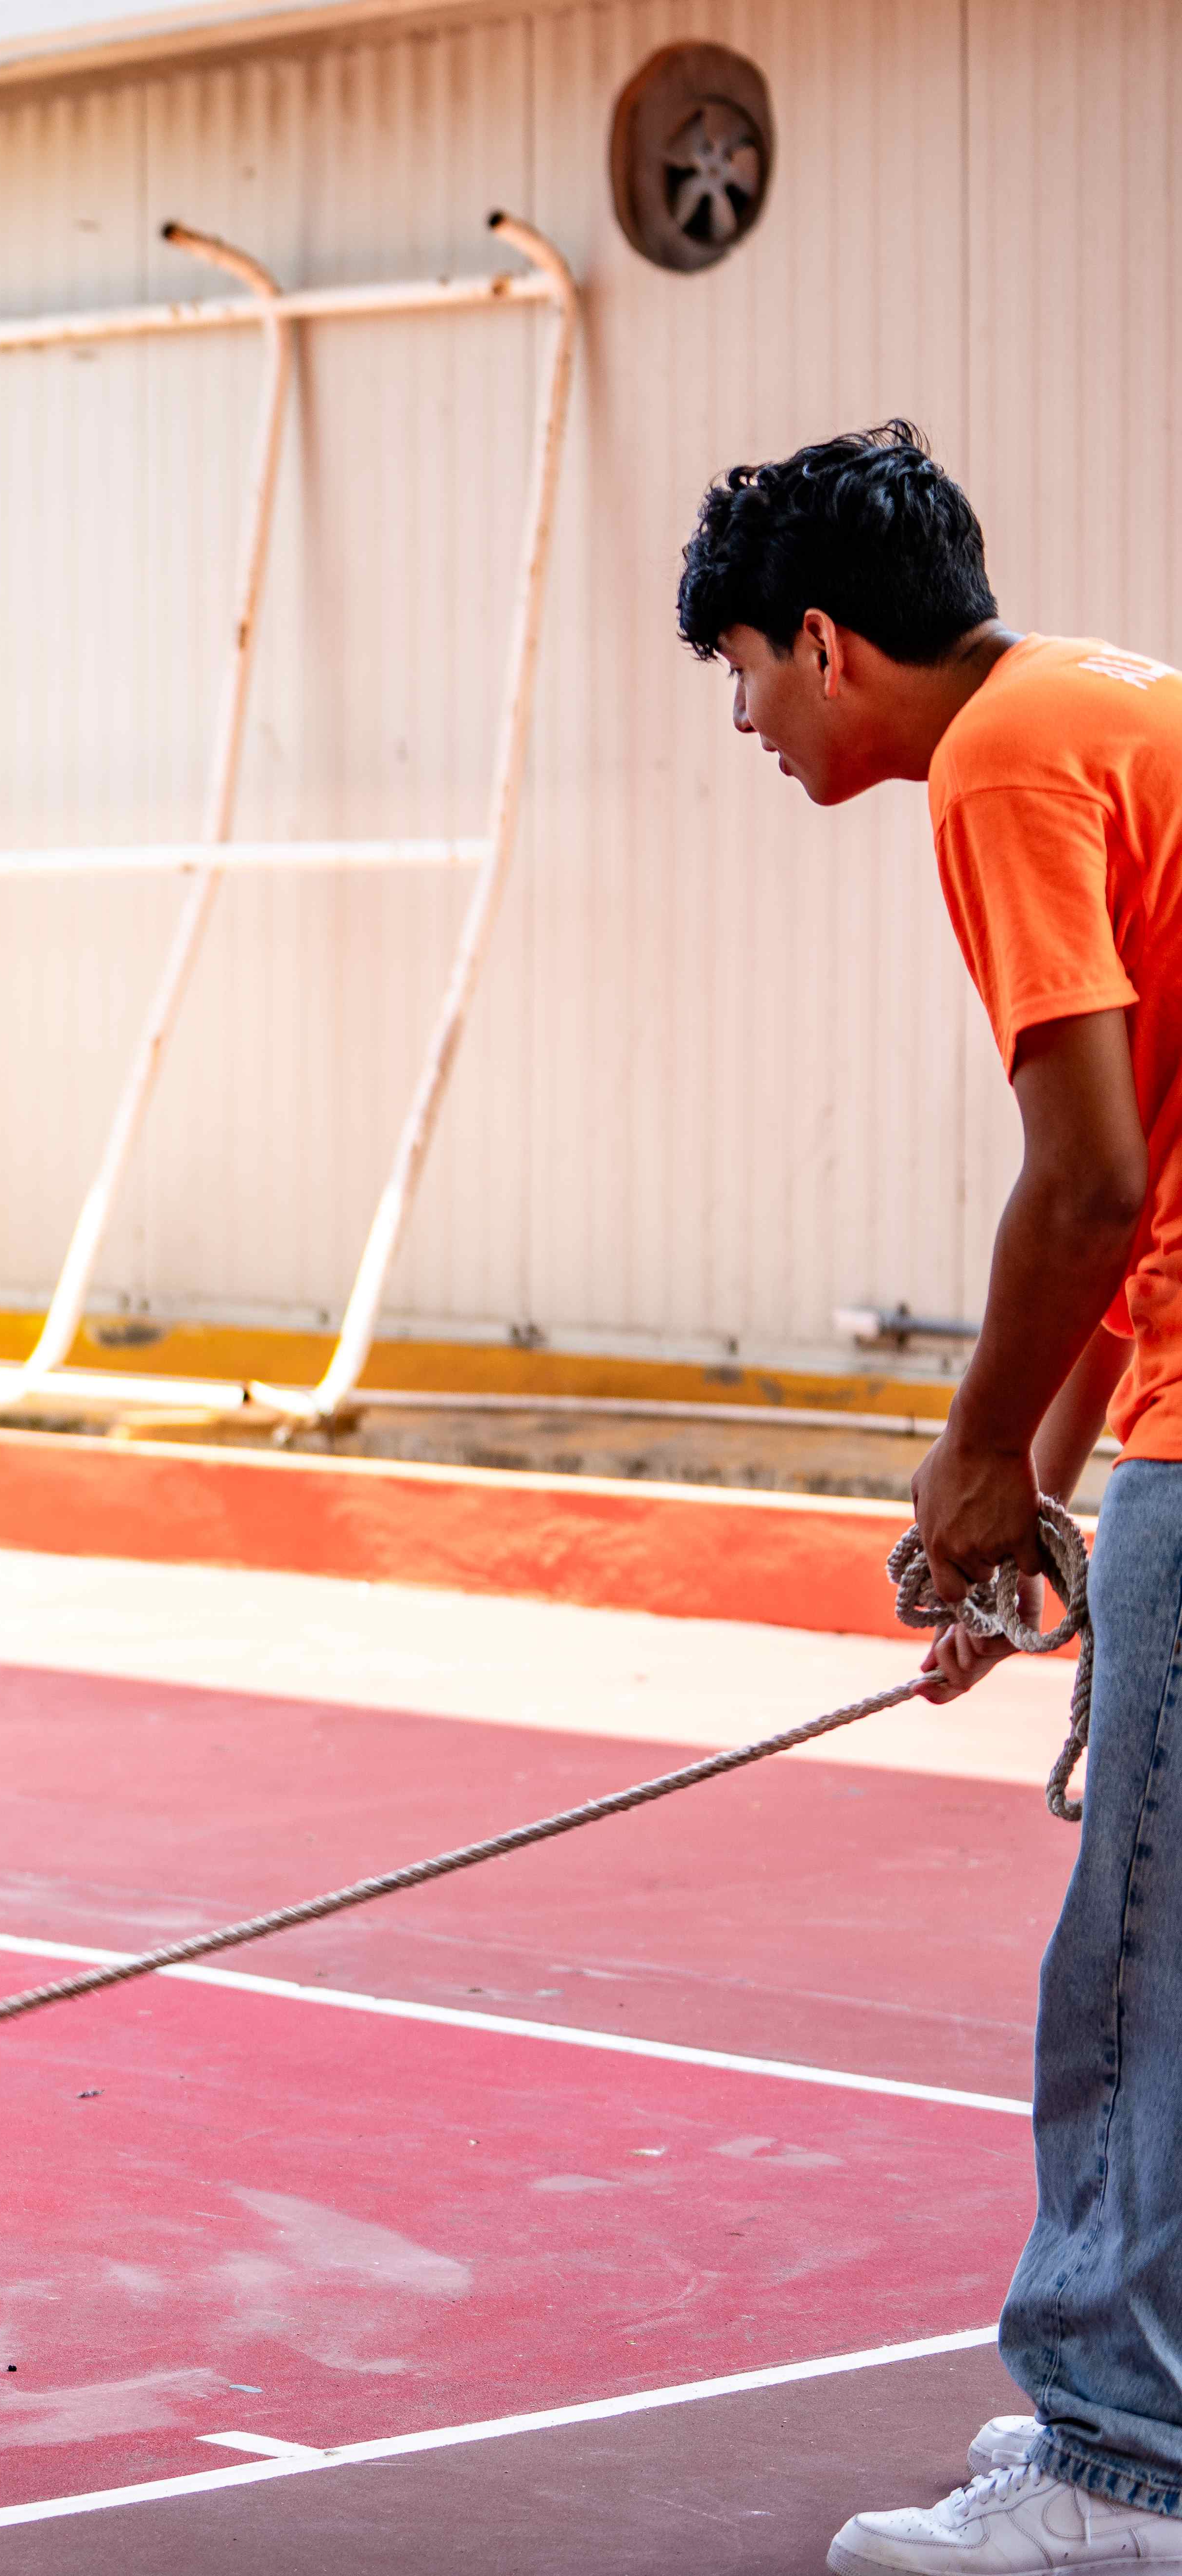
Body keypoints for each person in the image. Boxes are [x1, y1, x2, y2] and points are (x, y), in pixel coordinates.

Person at [685, 422, 1182, 2574]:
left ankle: (1115, 2462)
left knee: (1139, 1954)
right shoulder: (1110, 708)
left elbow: (1078, 1184)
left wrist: (973, 1463)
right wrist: (1026, 1516)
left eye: (741, 672)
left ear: (824, 640)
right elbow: (1138, 1192)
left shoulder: (995, 766)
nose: (742, 721)